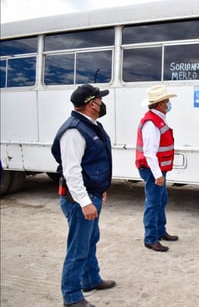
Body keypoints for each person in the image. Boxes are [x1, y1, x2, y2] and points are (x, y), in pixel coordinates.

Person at [51, 84, 116, 307]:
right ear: (91, 104)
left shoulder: (91, 126)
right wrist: (86, 202)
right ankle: (71, 297)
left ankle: (90, 279)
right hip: (79, 199)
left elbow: (93, 163)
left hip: (92, 194)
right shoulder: (74, 131)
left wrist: (100, 189)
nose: (102, 103)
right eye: (100, 99)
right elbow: (72, 172)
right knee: (77, 249)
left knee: (90, 241)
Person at [135, 85, 179, 252]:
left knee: (161, 200)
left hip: (158, 169)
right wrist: (158, 175)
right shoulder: (151, 123)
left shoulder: (157, 117)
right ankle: (151, 238)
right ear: (160, 103)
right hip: (153, 170)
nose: (168, 104)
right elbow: (149, 152)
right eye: (167, 101)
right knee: (153, 204)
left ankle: (160, 231)